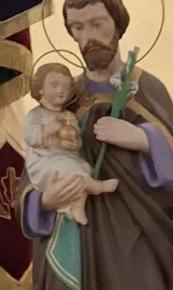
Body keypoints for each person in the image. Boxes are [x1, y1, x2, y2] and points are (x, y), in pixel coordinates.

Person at [17, 0, 173, 290]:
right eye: (77, 28)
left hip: (132, 249)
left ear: (117, 24)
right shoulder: (60, 98)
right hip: (71, 250)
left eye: (97, 23)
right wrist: (43, 201)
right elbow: (33, 170)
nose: (88, 37)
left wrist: (141, 138)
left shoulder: (146, 89)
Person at [24, 61, 120, 225]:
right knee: (71, 171)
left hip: (64, 158)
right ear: (40, 89)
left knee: (83, 168)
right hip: (43, 163)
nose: (61, 90)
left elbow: (75, 139)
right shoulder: (35, 116)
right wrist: (48, 129)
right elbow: (30, 136)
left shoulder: (69, 116)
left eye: (66, 87)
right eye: (55, 85)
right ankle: (96, 187)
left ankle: (76, 206)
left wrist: (72, 145)